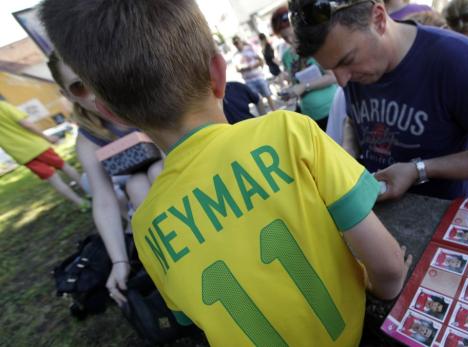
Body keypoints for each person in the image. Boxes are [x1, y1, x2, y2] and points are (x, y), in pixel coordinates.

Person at [41, 1, 411, 345]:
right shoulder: (288, 132)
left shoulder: (148, 226)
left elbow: (192, 319)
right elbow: (389, 266)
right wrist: (383, 290)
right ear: (219, 72)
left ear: (112, 113)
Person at [290, 0, 468, 201]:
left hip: (441, 220)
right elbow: (355, 121)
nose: (342, 81)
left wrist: (419, 170)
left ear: (378, 18)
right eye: (332, 69)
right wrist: (350, 150)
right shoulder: (357, 70)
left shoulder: (458, 60)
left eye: (347, 60)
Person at [47, 52, 164, 305]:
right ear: (67, 95)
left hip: (189, 175)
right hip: (146, 195)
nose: (94, 91)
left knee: (152, 174)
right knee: (136, 184)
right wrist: (119, 261)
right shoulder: (88, 139)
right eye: (79, 86)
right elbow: (103, 200)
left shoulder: (146, 99)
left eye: (95, 76)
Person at [0, 100, 89, 210]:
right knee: (64, 167)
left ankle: (81, 204)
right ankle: (90, 192)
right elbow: (26, 124)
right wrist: (47, 137)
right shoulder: (3, 106)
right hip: (36, 146)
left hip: (21, 155)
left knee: (52, 179)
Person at [271, 6, 338, 130]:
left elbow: (333, 77)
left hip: (332, 108)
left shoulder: (314, 44)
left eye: (292, 35)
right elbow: (295, 83)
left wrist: (304, 86)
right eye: (285, 38)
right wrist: (290, 91)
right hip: (310, 116)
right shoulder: (286, 56)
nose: (290, 40)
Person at [231, 36, 277, 111]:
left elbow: (261, 60)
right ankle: (263, 117)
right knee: (257, 100)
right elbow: (237, 69)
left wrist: (255, 66)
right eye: (235, 43)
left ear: (240, 41)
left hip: (259, 77)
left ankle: (275, 112)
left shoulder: (249, 49)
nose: (237, 44)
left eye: (237, 42)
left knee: (268, 95)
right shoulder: (235, 56)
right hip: (248, 81)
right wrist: (244, 68)